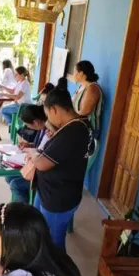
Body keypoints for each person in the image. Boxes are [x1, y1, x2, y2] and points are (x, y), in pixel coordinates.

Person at [26, 78, 95, 251]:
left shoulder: (71, 133)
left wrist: (33, 153)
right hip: (52, 190)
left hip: (58, 198)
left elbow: (41, 164)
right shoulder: (79, 124)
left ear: (54, 109)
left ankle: (59, 275)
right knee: (42, 232)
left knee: (54, 244)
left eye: (48, 114)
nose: (48, 119)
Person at [5, 105, 52, 204]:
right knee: (9, 176)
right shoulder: (42, 129)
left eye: (28, 125)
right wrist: (29, 145)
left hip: (41, 172)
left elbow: (42, 152)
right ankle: (21, 200)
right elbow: (39, 146)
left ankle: (24, 212)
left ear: (36, 122)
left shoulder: (49, 132)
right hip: (35, 165)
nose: (28, 127)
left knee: (16, 184)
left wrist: (31, 152)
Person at [72, 60, 104, 136]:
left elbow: (84, 112)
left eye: (74, 72)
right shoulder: (81, 86)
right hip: (78, 126)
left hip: (88, 131)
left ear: (81, 74)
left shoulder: (93, 88)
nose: (73, 75)